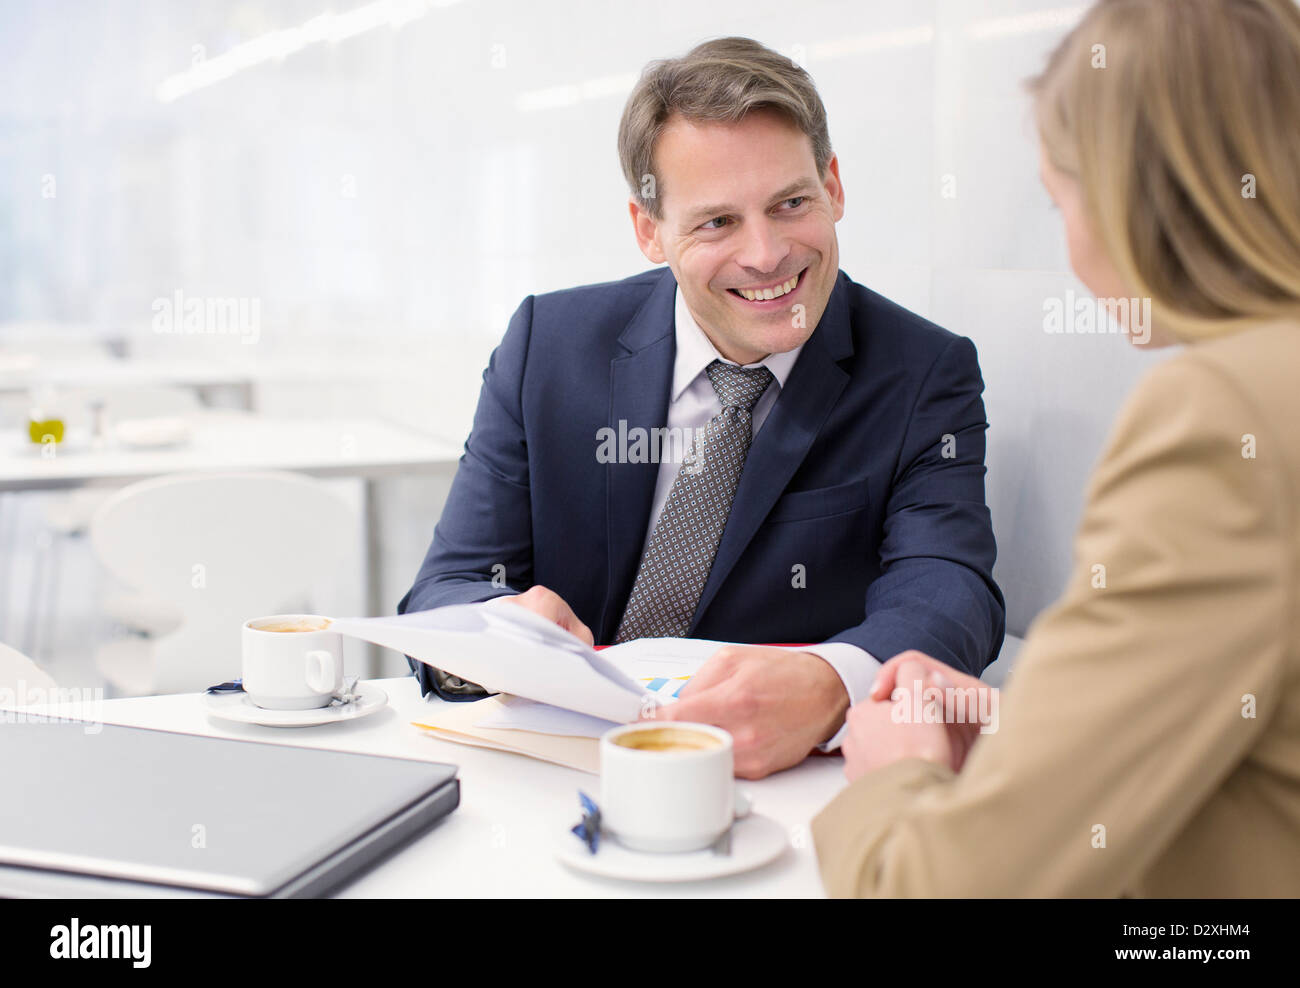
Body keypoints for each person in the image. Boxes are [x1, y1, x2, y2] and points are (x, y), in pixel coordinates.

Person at [399, 37, 1005, 780]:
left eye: (791, 203)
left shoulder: (921, 373)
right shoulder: (547, 348)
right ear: (649, 230)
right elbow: (448, 587)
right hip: (545, 774)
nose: (766, 254)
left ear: (834, 185)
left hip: (764, 788)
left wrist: (830, 682)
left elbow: (950, 590)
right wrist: (495, 636)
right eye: (717, 222)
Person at [813, 0, 1300, 895]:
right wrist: (1042, 740)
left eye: (1058, 200)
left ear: (1132, 194)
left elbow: (939, 888)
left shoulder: (1223, 418)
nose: (1072, 246)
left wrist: (891, 776)